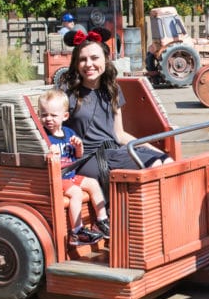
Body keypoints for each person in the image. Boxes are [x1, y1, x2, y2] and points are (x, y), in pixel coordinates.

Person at [62, 27, 171, 183]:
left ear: (105, 60)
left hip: (114, 150)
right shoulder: (67, 93)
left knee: (165, 161)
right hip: (87, 156)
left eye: (94, 58)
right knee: (151, 165)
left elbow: (119, 134)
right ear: (76, 63)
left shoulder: (112, 89)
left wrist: (153, 149)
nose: (89, 64)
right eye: (82, 59)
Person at [37, 89, 109, 245]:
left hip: (70, 175)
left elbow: (77, 156)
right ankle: (76, 233)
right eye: (44, 115)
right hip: (58, 178)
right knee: (76, 193)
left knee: (93, 183)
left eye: (53, 115)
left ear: (65, 116)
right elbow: (39, 159)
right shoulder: (42, 137)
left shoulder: (69, 133)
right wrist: (49, 153)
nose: (48, 118)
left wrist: (78, 146)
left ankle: (101, 220)